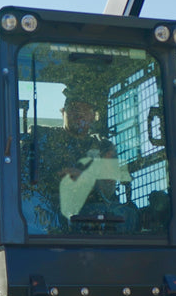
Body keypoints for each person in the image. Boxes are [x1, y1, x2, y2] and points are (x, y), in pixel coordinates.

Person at [23, 92, 130, 228]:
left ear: (93, 116)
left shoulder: (104, 147)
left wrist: (85, 180)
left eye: (85, 109)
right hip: (48, 216)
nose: (79, 113)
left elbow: (108, 189)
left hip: (95, 216)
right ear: (63, 112)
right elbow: (23, 180)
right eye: (74, 108)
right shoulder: (40, 138)